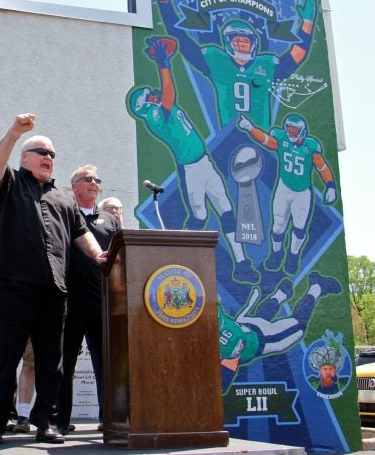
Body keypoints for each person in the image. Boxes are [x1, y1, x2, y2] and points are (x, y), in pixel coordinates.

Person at [0, 113, 106, 445]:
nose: (49, 158)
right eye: (42, 152)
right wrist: (14, 131)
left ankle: (44, 422)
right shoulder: (10, 183)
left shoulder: (64, 198)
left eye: (52, 154)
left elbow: (81, 234)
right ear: (25, 158)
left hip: (54, 292)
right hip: (12, 287)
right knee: (3, 359)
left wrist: (99, 256)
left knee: (52, 362)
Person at [127, 36, 259, 284]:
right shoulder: (154, 117)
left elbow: (166, 95)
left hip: (205, 163)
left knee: (227, 212)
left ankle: (242, 264)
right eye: (149, 95)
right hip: (192, 170)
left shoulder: (155, 110)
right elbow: (168, 95)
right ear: (146, 105)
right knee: (199, 218)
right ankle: (184, 262)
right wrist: (164, 64)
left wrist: (163, 62)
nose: (152, 93)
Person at [153, 0, 316, 130]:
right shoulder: (216, 61)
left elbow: (297, 55)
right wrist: (165, 4)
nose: (242, 44)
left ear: (254, 43)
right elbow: (183, 41)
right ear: (228, 43)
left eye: (246, 41)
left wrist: (308, 22)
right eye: (237, 40)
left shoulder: (266, 65)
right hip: (230, 137)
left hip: (262, 138)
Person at [56, 165, 120, 435]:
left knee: (105, 364)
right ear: (74, 186)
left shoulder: (110, 220)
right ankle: (60, 420)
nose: (95, 183)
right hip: (68, 303)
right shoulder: (63, 216)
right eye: (88, 179)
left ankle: (109, 419)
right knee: (64, 365)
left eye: (97, 179)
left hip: (101, 303)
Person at [237, 113, 337, 274]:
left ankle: (293, 256)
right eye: (289, 128)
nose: (290, 132)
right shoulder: (282, 139)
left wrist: (331, 185)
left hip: (302, 193)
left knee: (299, 228)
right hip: (284, 188)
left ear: (302, 131)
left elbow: (322, 166)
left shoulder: (310, 146)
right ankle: (276, 254)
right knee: (277, 227)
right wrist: (250, 128)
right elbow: (266, 140)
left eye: (294, 129)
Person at [218, 271, 341, 393]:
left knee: (298, 327)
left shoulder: (224, 348)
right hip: (244, 325)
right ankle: (281, 294)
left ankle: (316, 287)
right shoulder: (212, 318)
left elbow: (225, 377)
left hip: (259, 339)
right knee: (261, 320)